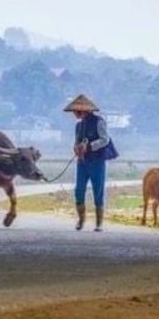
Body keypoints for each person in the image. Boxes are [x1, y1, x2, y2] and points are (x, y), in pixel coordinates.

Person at [63, 93, 117, 232]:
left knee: (98, 191)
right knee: (79, 190)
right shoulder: (78, 126)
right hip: (82, 162)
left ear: (84, 110)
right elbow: (76, 141)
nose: (75, 113)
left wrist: (90, 146)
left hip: (97, 162)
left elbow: (105, 139)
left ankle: (99, 223)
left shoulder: (99, 122)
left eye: (76, 111)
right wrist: (76, 148)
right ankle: (81, 219)